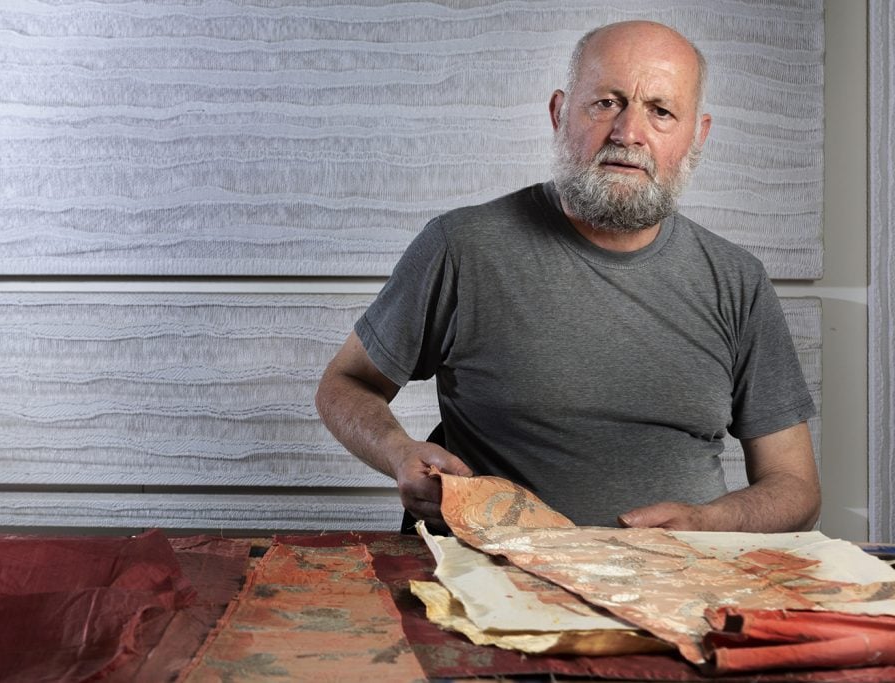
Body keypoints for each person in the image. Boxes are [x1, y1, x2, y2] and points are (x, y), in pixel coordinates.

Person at [315, 20, 821, 532]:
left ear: (697, 135)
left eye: (661, 111)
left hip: (677, 592)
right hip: (485, 588)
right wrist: (398, 452)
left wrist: (712, 522)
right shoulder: (462, 247)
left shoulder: (737, 281)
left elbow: (795, 486)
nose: (628, 134)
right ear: (559, 112)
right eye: (606, 103)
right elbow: (346, 383)